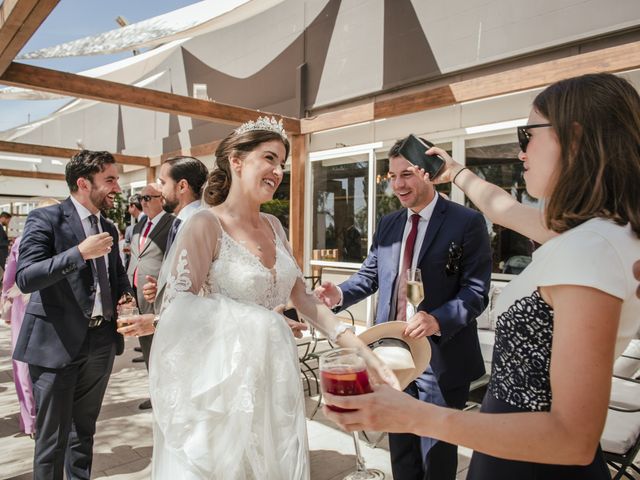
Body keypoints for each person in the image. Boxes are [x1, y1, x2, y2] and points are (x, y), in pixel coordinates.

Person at [323, 73, 640, 480]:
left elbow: (571, 438)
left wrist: (417, 417)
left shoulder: (591, 250)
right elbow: (502, 207)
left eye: (527, 134)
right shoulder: (590, 234)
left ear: (574, 139)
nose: (520, 151)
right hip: (510, 450)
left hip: (532, 466)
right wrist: (455, 171)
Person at [119, 117, 398, 478]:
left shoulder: (274, 226)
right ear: (236, 160)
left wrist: (359, 347)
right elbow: (178, 309)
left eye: (281, 163)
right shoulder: (205, 224)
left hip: (274, 380)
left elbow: (305, 299)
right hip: (223, 391)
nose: (277, 170)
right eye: (269, 158)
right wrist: (262, 320)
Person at [315, 137, 492, 480]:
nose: (398, 184)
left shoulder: (467, 222)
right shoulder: (388, 224)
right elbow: (369, 277)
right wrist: (337, 294)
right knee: (401, 450)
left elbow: (476, 292)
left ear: (428, 173)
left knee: (437, 454)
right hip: (390, 354)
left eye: (407, 174)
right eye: (392, 176)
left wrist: (437, 319)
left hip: (440, 358)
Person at [14, 150, 134, 480]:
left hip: (100, 343)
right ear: (83, 183)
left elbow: (116, 273)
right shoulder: (46, 219)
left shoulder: (107, 225)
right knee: (52, 440)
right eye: (109, 180)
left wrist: (127, 295)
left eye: (117, 180)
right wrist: (79, 252)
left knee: (83, 433)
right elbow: (26, 278)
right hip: (55, 344)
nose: (117, 188)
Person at [1, 201, 58, 438]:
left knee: (23, 363)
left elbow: (9, 278)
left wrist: (6, 304)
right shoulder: (61, 239)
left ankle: (32, 421)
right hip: (51, 307)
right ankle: (47, 417)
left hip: (24, 306)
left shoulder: (22, 241)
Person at [126, 183, 174, 409]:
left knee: (162, 346)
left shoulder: (173, 223)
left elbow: (173, 260)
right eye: (140, 198)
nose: (143, 202)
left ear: (161, 199)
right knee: (146, 344)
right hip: (137, 291)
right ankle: (156, 393)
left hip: (158, 293)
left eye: (147, 197)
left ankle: (167, 394)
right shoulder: (139, 224)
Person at [140, 155, 208, 312]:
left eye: (163, 183)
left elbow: (204, 288)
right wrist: (163, 289)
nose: (160, 190)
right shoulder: (178, 222)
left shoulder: (200, 224)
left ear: (182, 186)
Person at [123, 195, 145, 269]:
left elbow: (126, 255)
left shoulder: (131, 228)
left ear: (133, 206)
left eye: (128, 206)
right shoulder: (151, 221)